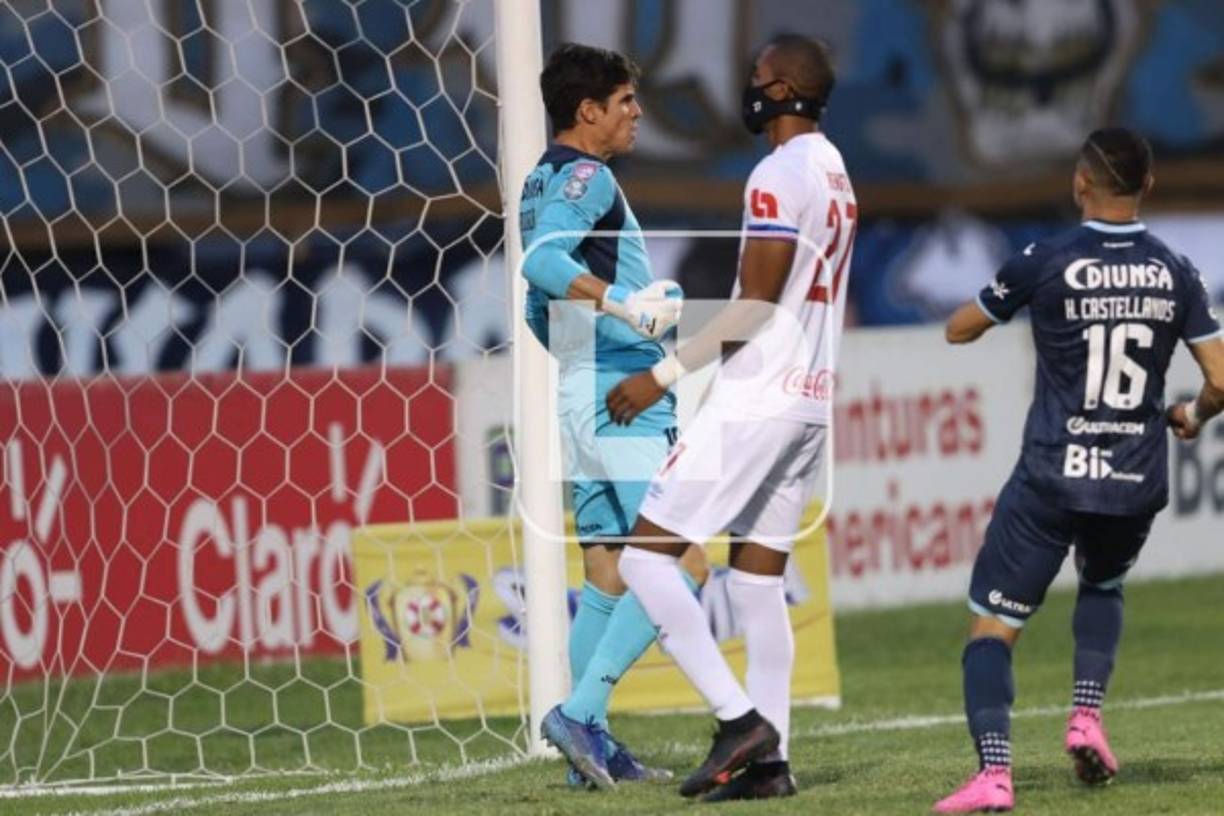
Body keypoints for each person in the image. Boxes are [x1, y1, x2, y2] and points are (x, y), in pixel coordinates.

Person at [558, 34, 853, 801]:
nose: (748, 90)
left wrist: (662, 375)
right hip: (812, 400)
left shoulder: (777, 173)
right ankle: (771, 764)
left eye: (757, 79)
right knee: (757, 586)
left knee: (648, 560)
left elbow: (754, 304)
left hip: (757, 398)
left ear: (784, 88)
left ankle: (737, 720)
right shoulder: (835, 169)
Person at [932, 127, 1224, 813]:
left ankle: (995, 775)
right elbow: (1221, 378)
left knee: (992, 627)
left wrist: (1006, 300)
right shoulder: (1176, 270)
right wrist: (1194, 415)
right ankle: (1086, 716)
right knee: (1104, 584)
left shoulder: (1047, 258)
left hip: (1052, 476)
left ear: (1079, 182)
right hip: (1134, 477)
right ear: (1147, 185)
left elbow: (959, 328)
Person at [519, 42, 704, 790]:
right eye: (626, 101)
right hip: (620, 394)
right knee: (684, 560)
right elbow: (540, 265)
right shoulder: (587, 176)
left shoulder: (542, 179)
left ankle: (582, 757)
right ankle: (581, 714)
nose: (637, 114)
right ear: (588, 111)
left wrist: (579, 354)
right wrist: (626, 306)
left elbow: (540, 302)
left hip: (583, 387)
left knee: (607, 573)